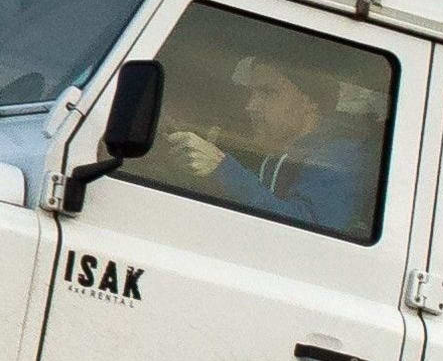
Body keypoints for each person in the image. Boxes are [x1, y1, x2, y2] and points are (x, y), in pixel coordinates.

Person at [159, 54, 373, 235]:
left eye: (268, 93)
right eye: (251, 93)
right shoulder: (279, 151)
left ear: (310, 103)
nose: (250, 106)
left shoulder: (339, 158)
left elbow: (306, 233)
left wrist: (223, 169)